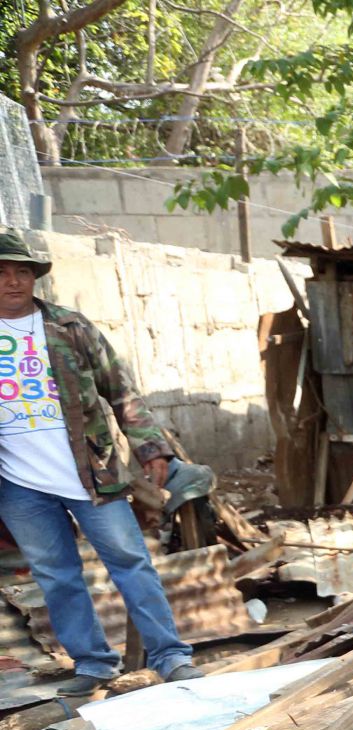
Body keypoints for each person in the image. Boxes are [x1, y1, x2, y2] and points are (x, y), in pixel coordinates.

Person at [0, 230, 200, 694]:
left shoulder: (71, 328)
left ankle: (170, 656)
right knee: (56, 573)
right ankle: (92, 663)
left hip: (93, 471)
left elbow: (121, 390)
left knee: (131, 562)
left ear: (34, 277)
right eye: (3, 273)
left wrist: (151, 447)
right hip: (18, 485)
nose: (12, 281)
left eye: (22, 271)